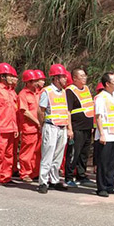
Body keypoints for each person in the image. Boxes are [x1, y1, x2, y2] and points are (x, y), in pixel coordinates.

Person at [38, 64, 72, 194]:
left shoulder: (63, 92)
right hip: (50, 126)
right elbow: (41, 110)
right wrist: (42, 124)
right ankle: (43, 182)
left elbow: (66, 111)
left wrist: (68, 127)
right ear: (56, 78)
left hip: (62, 127)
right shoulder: (47, 91)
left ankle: (54, 179)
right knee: (47, 155)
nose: (66, 79)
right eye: (63, 77)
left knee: (58, 156)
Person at [0, 63, 20, 189]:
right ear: (2, 77)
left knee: (9, 155)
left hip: (10, 128)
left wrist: (15, 127)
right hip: (0, 128)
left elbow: (14, 111)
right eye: (10, 76)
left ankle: (5, 177)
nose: (12, 78)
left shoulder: (12, 92)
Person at [64, 68, 95, 188]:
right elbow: (68, 111)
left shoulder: (86, 89)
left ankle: (81, 175)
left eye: (85, 75)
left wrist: (92, 125)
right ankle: (69, 177)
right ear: (75, 78)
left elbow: (89, 107)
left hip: (87, 127)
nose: (84, 78)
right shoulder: (70, 91)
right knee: (73, 153)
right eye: (81, 76)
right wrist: (69, 129)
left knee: (84, 153)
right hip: (77, 127)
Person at [94, 73, 114, 197]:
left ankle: (110, 185)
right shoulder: (101, 97)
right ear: (107, 84)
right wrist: (102, 134)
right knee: (103, 163)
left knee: (112, 163)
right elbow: (98, 117)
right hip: (105, 134)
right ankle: (101, 187)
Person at [18, 69, 44, 183]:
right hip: (29, 128)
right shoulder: (23, 94)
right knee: (27, 152)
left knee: (37, 152)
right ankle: (25, 173)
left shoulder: (39, 93)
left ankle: (35, 172)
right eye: (33, 81)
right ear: (27, 82)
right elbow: (25, 111)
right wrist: (37, 122)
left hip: (39, 128)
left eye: (36, 81)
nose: (35, 83)